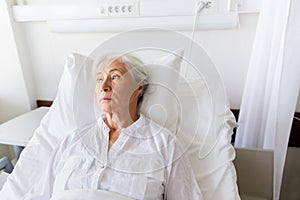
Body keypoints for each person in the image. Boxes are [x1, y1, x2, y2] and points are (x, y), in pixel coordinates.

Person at [24, 54, 203, 199]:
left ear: (138, 87)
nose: (104, 86)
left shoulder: (164, 144)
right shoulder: (73, 141)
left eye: (115, 76)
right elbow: (39, 194)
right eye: (99, 79)